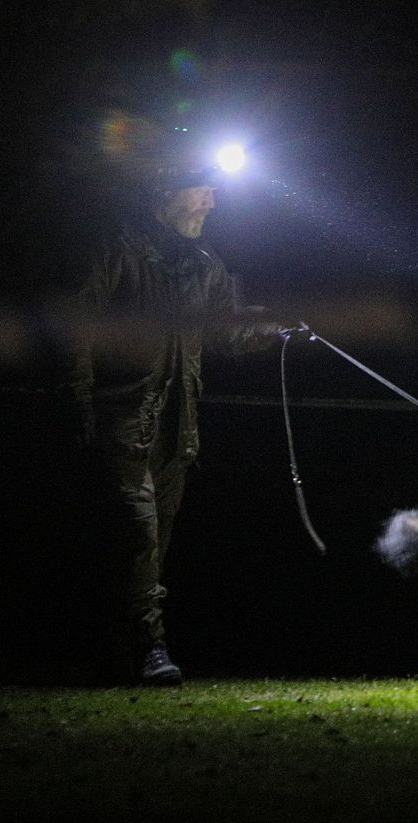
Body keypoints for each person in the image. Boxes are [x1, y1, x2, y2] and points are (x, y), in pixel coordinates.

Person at [58, 151, 300, 686]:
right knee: (136, 534)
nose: (212, 201)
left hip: (176, 424)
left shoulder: (205, 265)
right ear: (164, 195)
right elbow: (77, 328)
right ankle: (151, 650)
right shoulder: (114, 252)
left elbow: (224, 333)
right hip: (120, 420)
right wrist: (79, 404)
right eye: (201, 189)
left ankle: (116, 653)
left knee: (151, 545)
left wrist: (276, 327)